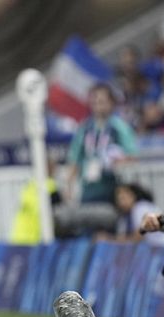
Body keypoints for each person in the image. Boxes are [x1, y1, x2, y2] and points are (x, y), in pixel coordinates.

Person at [62, 83, 137, 236]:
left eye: (102, 101)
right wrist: (68, 185)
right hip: (88, 190)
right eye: (94, 102)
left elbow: (132, 155)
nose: (98, 105)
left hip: (111, 189)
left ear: (111, 103)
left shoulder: (119, 126)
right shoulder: (85, 128)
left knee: (107, 233)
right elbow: (75, 158)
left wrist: (116, 161)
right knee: (86, 232)